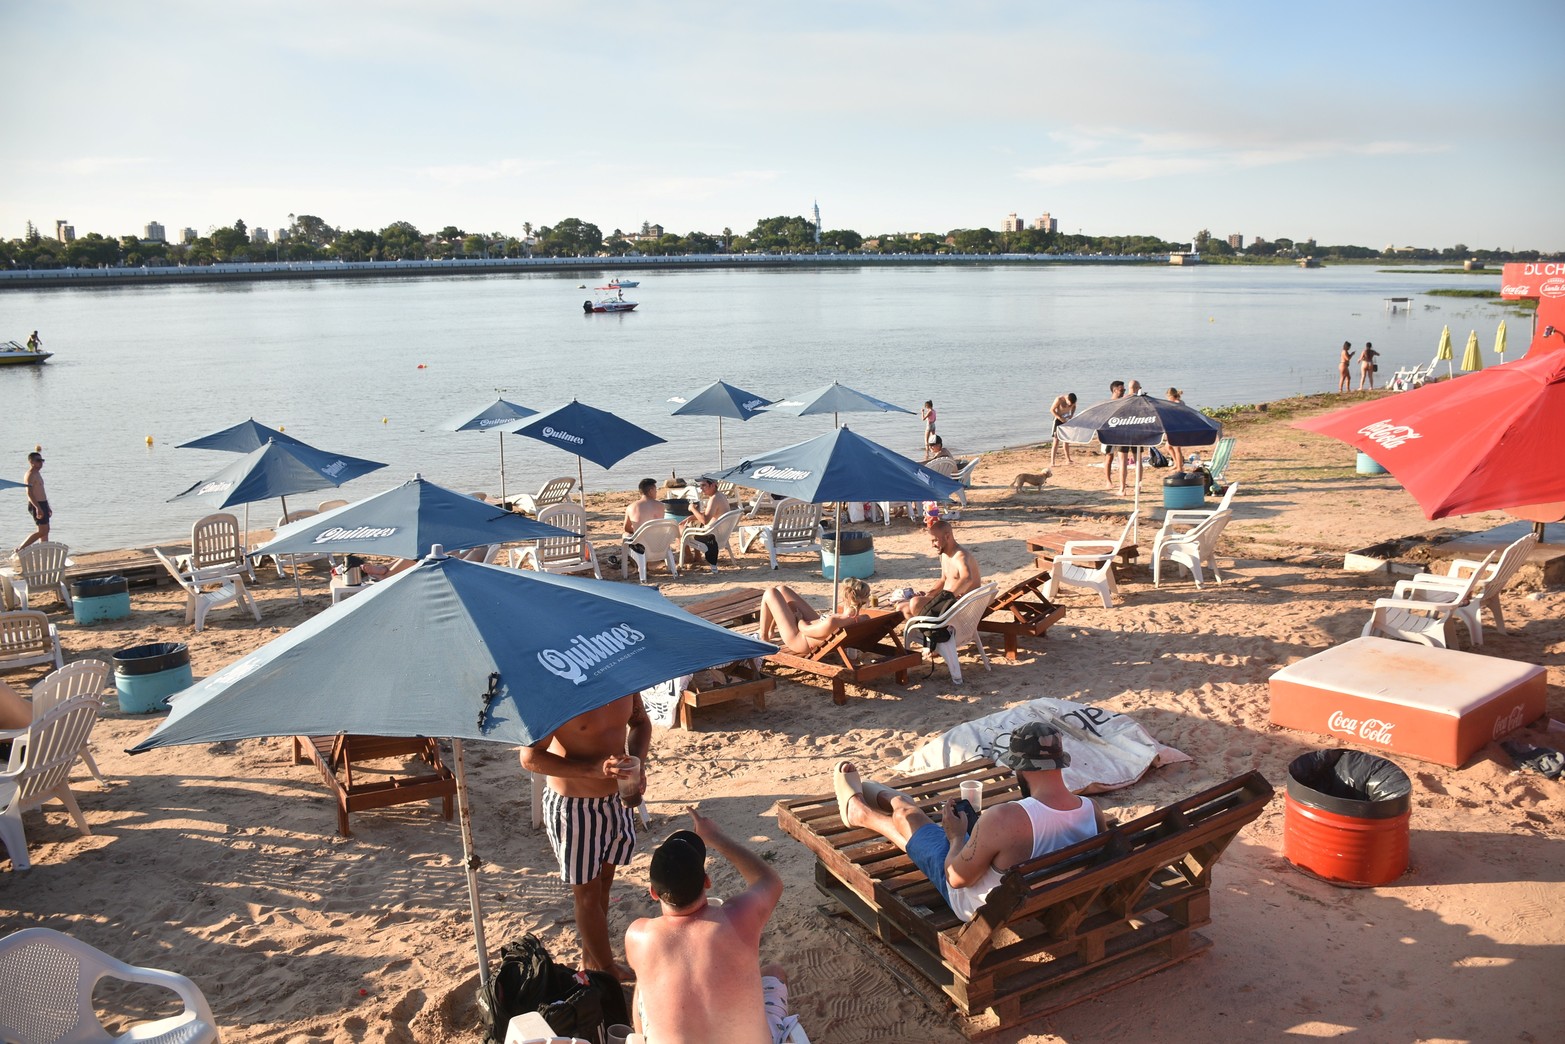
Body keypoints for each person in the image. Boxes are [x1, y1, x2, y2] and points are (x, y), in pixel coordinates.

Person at [832, 722, 1105, 923]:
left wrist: (955, 837)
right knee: (919, 823)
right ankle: (889, 800)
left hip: (981, 908)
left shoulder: (1006, 817)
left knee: (908, 818)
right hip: (1047, 900)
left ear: (1020, 768)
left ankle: (868, 810)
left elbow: (956, 879)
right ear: (1059, 763)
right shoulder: (1091, 810)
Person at [624, 810, 797, 1044]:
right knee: (774, 973)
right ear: (706, 881)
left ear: (654, 893)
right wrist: (716, 837)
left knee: (643, 983)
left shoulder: (638, 936)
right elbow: (769, 881)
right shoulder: (738, 917)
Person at [518, 693, 652, 980]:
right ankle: (605, 971)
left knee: (603, 884)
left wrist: (638, 761)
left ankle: (591, 964)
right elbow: (529, 757)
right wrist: (592, 770)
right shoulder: (556, 692)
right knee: (587, 894)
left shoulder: (622, 678)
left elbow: (640, 722)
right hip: (574, 808)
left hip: (617, 799)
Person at [894, 518, 981, 621]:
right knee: (901, 607)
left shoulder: (960, 556)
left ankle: (935, 631)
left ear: (947, 536)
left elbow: (967, 578)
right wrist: (929, 594)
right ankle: (925, 633)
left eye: (935, 540)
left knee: (915, 603)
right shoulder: (945, 554)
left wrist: (948, 596)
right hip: (947, 603)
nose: (932, 545)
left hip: (958, 606)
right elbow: (943, 580)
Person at [757, 577, 869, 655]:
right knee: (782, 590)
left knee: (770, 593)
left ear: (845, 597)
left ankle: (764, 636)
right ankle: (771, 629)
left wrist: (799, 619)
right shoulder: (864, 619)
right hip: (817, 628)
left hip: (800, 640)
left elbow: (804, 629)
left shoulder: (834, 621)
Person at [679, 476, 729, 573]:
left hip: (710, 535)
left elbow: (705, 520)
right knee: (689, 523)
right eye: (700, 486)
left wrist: (692, 509)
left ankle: (688, 557)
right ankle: (697, 557)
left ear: (713, 485)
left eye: (704, 485)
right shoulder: (720, 496)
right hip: (719, 531)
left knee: (680, 528)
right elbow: (710, 515)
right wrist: (691, 517)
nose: (701, 488)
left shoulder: (714, 499)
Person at [1101, 380, 1132, 493]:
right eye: (1121, 390)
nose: (1123, 391)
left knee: (1121, 458)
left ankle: (1121, 481)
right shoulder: (1109, 403)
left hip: (1120, 433)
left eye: (1124, 390)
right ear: (1114, 390)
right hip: (1109, 433)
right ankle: (1108, 481)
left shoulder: (1123, 402)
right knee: (1109, 457)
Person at [19, 452, 50, 552]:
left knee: (46, 530)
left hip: (43, 503)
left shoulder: (38, 473)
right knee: (42, 530)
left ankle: (44, 553)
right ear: (31, 462)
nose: (40, 463)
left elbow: (42, 491)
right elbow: (29, 493)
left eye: (42, 461)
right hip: (36, 504)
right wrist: (37, 508)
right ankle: (20, 549)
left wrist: (47, 506)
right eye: (38, 461)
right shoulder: (30, 474)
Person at [1049, 392, 1077, 466]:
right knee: (1056, 441)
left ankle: (1068, 459)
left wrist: (1071, 415)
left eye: (1071, 405)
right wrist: (1060, 418)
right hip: (1058, 420)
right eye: (1069, 404)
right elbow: (1052, 410)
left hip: (1066, 419)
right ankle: (1052, 462)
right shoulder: (1059, 399)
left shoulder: (1073, 401)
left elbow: (1074, 407)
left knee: (1066, 440)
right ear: (1067, 399)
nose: (1069, 405)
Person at [1166, 387, 1187, 471]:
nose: (1167, 399)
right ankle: (1177, 463)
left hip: (1177, 427)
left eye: (1168, 397)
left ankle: (1180, 467)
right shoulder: (1179, 402)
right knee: (1168, 446)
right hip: (1176, 427)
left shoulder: (1176, 403)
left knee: (1176, 448)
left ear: (1171, 396)